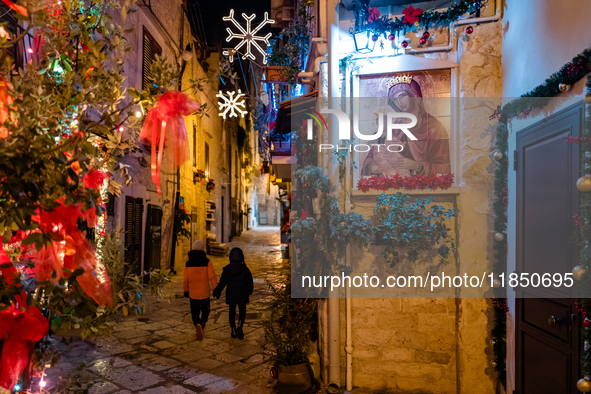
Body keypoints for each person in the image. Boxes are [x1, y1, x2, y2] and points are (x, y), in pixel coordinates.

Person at [361, 76, 451, 177]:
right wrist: (371, 166)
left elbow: (444, 168)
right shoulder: (393, 128)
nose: (399, 102)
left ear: (414, 96)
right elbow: (370, 159)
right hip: (393, 184)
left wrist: (417, 166)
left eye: (403, 96)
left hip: (422, 189)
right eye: (395, 100)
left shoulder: (434, 128)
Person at [213, 247, 254, 339]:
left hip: (231, 294)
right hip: (242, 294)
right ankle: (240, 325)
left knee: (232, 311)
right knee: (242, 311)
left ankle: (233, 328)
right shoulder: (245, 269)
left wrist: (217, 291)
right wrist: (249, 291)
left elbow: (222, 282)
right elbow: (249, 282)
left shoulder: (227, 270)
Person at [183, 240, 218, 341]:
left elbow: (185, 279)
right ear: (203, 249)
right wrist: (216, 288)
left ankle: (197, 323)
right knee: (205, 310)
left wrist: (186, 290)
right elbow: (212, 277)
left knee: (195, 311)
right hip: (204, 292)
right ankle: (202, 323)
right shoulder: (207, 262)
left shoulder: (187, 263)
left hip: (193, 293)